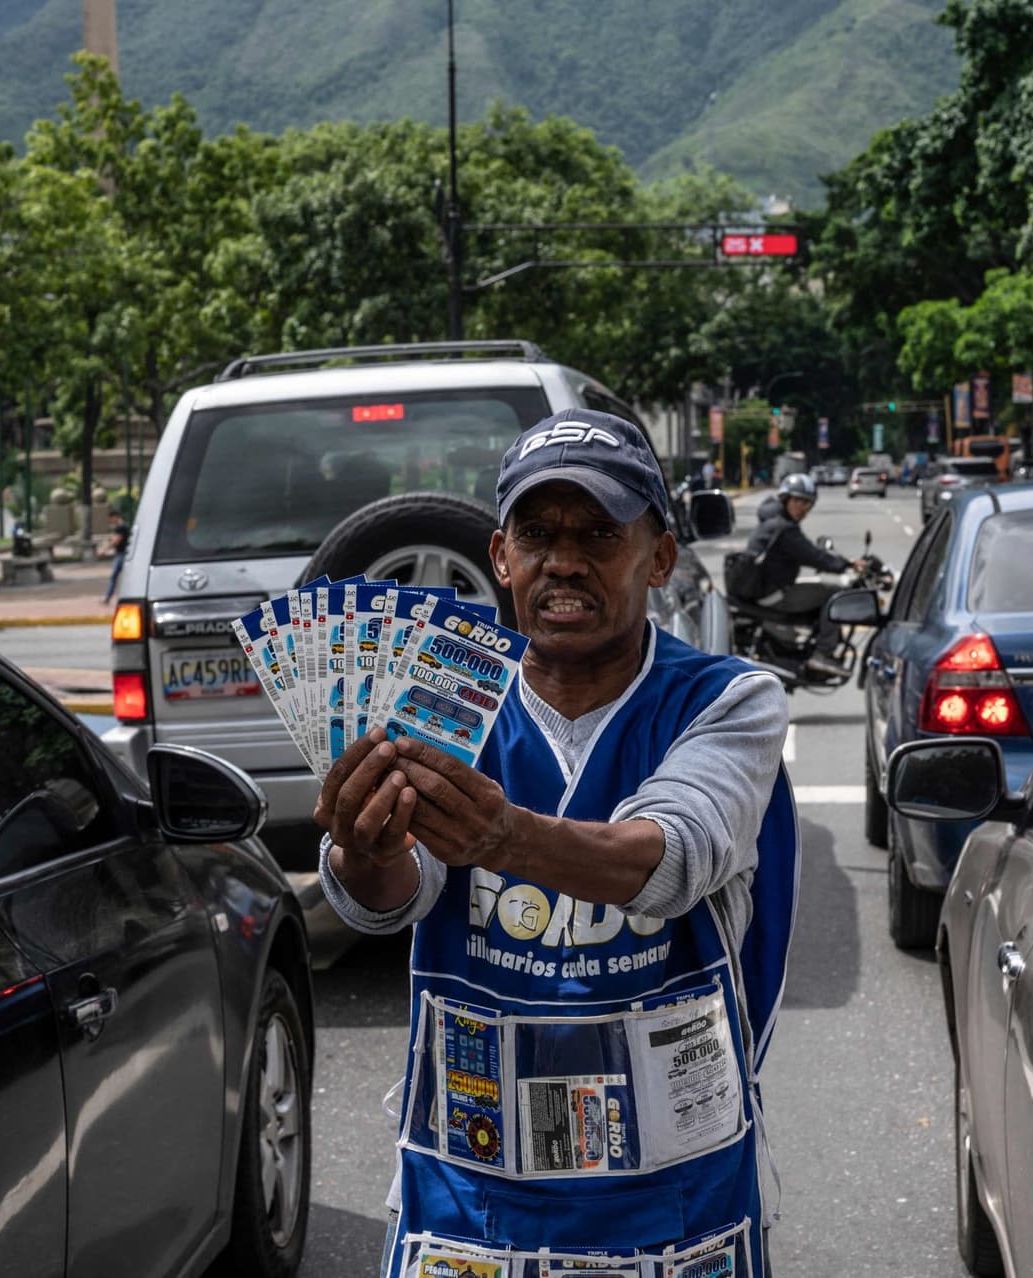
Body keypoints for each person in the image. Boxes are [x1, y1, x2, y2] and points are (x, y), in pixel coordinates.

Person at [317, 409, 797, 1277]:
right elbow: (395, 896)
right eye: (537, 534)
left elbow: (672, 854)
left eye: (599, 535)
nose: (564, 562)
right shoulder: (446, 694)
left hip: (674, 1185)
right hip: (470, 1182)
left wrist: (506, 836)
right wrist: (365, 849)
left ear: (658, 557)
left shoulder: (730, 700)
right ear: (500, 556)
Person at [741, 473, 863, 681]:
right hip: (774, 594)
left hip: (765, 588)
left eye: (808, 503)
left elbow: (808, 551)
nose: (803, 507)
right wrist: (848, 564)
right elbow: (813, 556)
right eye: (798, 501)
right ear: (785, 499)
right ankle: (823, 654)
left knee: (818, 589)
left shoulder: (774, 522)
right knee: (833, 595)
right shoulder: (784, 529)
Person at [100, 512, 130, 604]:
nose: (111, 521)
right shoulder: (125, 526)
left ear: (115, 517)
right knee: (123, 577)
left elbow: (116, 540)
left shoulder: (120, 527)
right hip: (124, 554)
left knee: (114, 577)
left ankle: (108, 598)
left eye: (111, 519)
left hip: (121, 555)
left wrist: (104, 550)